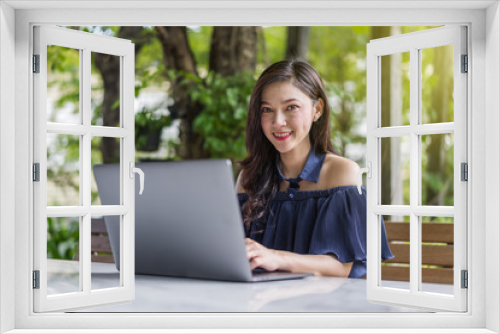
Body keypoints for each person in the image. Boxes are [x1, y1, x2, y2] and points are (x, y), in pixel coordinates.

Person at [236, 60, 393, 278]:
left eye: (291, 107)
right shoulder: (249, 177)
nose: (278, 121)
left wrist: (276, 257)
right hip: (255, 302)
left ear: (317, 109)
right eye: (267, 110)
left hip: (321, 306)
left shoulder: (343, 173)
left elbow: (341, 267)